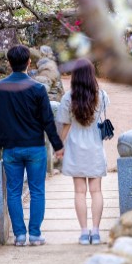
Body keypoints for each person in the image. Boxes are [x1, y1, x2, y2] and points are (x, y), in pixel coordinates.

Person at [0, 45, 64, 247]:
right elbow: (48, 120)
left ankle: (19, 236)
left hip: (10, 147)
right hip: (35, 147)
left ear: (9, 63)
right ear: (29, 62)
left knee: (13, 191)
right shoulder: (38, 88)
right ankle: (36, 234)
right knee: (37, 190)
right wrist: (57, 145)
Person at [56, 58, 110, 246]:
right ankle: (95, 232)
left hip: (75, 148)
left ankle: (83, 232)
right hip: (95, 147)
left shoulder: (68, 98)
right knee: (96, 191)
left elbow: (65, 126)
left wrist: (59, 147)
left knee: (79, 192)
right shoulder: (101, 96)